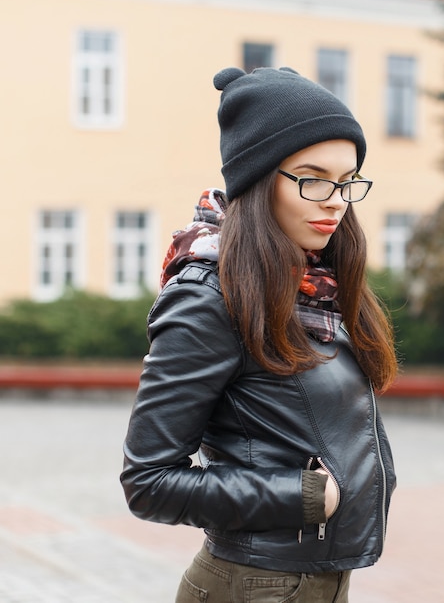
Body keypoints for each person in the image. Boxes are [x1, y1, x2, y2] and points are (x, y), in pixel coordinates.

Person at [120, 66, 398, 603]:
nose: (335, 199)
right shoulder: (211, 297)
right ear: (257, 176)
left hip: (316, 581)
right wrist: (303, 495)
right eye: (313, 178)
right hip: (254, 586)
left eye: (346, 181)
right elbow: (148, 481)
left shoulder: (314, 287)